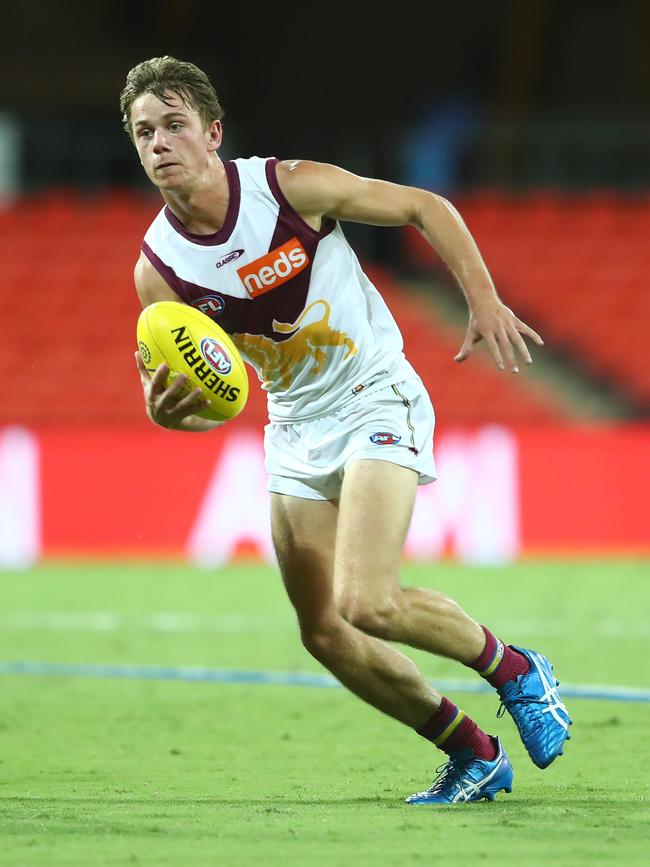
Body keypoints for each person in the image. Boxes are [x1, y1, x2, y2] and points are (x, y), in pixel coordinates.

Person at [121, 56, 571, 805]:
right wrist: (168, 413)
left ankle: (518, 669)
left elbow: (426, 206)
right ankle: (473, 753)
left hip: (374, 395)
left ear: (213, 132)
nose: (159, 142)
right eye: (144, 132)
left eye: (174, 125)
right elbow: (201, 397)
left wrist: (484, 300)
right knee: (325, 631)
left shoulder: (288, 187)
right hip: (294, 428)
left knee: (368, 600)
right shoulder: (159, 270)